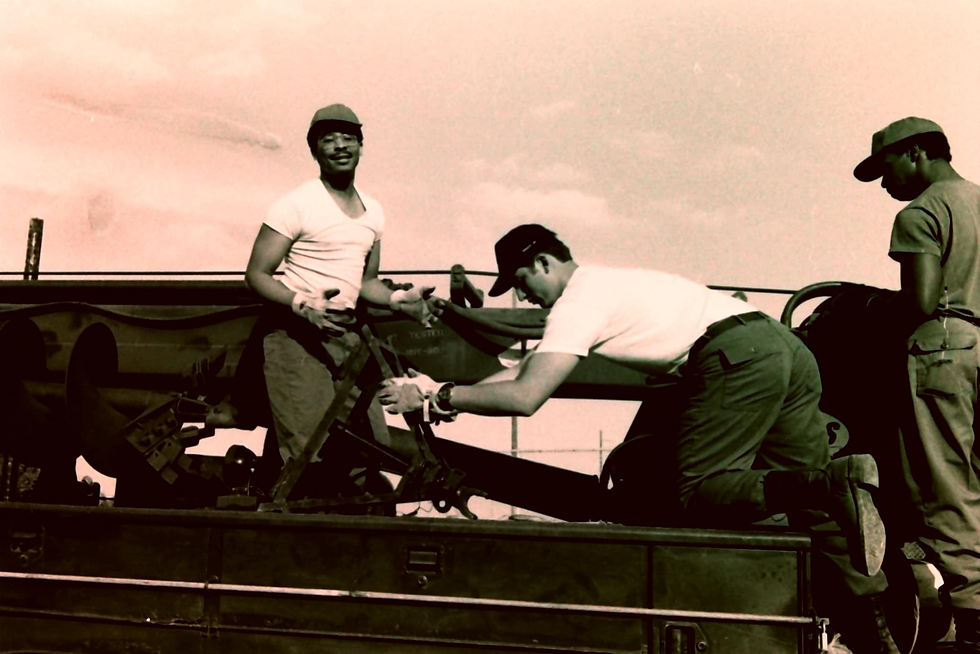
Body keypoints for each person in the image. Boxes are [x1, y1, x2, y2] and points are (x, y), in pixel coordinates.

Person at [381, 223, 901, 653]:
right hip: (782, 347)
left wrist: (442, 397)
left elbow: (526, 396)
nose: (523, 295)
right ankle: (879, 637)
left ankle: (826, 481)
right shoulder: (609, 283)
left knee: (696, 490)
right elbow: (519, 373)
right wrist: (435, 393)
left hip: (735, 359)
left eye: (522, 280)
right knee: (827, 522)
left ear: (543, 262)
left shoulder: (577, 303)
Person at [244, 103, 431, 479]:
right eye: (329, 140)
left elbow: (365, 283)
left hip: (349, 340)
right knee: (310, 457)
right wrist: (300, 304)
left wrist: (398, 301)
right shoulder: (295, 204)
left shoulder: (373, 212)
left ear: (361, 147)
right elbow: (256, 274)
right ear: (314, 150)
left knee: (371, 451)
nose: (340, 146)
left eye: (349, 138)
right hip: (295, 337)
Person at [854, 116, 980, 653]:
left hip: (944, 349)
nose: (885, 185)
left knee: (944, 482)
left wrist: (873, 309)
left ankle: (974, 615)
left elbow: (922, 301)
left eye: (886, 171)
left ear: (917, 154)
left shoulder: (923, 210)